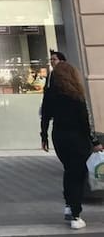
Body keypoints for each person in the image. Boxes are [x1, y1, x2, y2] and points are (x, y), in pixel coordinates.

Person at [40, 60, 103, 230]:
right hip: (77, 139)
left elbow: (45, 116)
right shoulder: (77, 96)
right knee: (77, 175)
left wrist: (44, 137)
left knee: (69, 171)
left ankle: (69, 205)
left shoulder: (50, 95)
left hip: (59, 137)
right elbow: (85, 122)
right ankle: (75, 214)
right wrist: (95, 142)